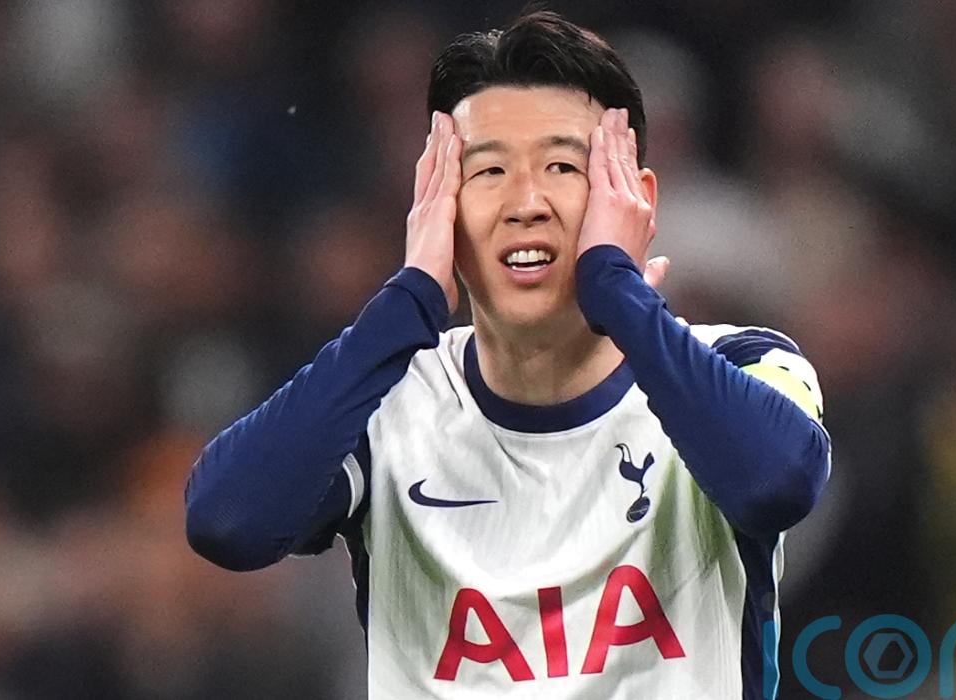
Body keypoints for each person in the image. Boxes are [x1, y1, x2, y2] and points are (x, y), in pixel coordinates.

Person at [185, 10, 830, 699]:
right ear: (439, 205)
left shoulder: (743, 364)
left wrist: (617, 291)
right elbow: (228, 522)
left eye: (562, 166)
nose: (526, 203)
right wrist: (408, 301)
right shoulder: (387, 403)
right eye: (488, 170)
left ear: (636, 200)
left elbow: (778, 484)